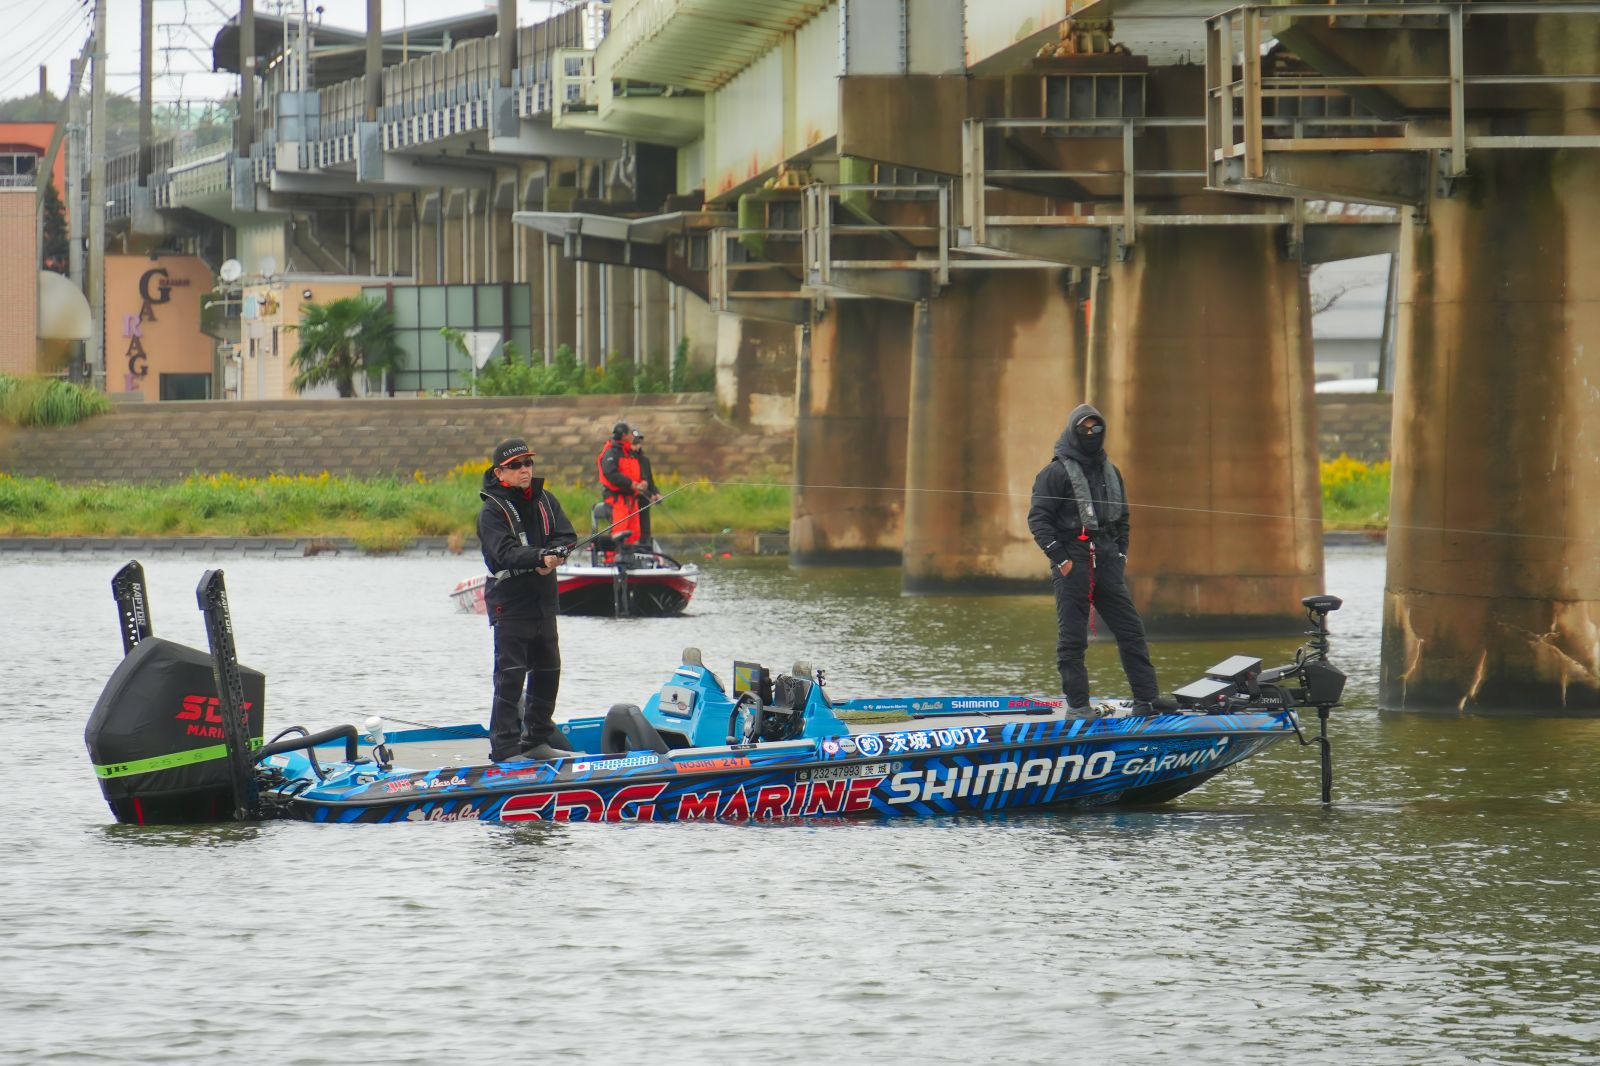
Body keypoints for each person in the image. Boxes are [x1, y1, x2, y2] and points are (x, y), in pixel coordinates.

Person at [1027, 403, 1159, 715]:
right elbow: (1038, 520)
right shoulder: (1053, 473)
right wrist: (1061, 559)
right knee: (1073, 639)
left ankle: (1147, 700)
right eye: (1083, 428)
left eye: (1096, 428)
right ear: (1073, 431)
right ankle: (1078, 706)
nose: (1090, 433)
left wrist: (1121, 554)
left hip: (1108, 561)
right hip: (1072, 563)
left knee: (1131, 631)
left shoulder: (1112, 472)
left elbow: (1123, 520)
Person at [478, 437, 578, 762]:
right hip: (510, 604)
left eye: (528, 463)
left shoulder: (546, 500)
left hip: (543, 601)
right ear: (499, 472)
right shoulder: (491, 511)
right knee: (510, 676)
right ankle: (505, 749)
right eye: (516, 465)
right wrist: (540, 557)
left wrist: (558, 553)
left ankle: (535, 740)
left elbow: (567, 535)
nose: (525, 469)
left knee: (549, 671)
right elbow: (504, 553)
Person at [597, 421, 645, 546]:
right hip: (617, 499)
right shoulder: (611, 452)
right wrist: (630, 484)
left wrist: (641, 483)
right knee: (619, 531)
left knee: (634, 533)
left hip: (631, 498)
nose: (632, 436)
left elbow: (637, 470)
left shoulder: (629, 452)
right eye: (630, 433)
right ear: (624, 435)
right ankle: (612, 556)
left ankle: (630, 555)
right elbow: (611, 474)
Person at [630, 427, 662, 548]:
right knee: (631, 533)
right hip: (630, 502)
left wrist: (656, 494)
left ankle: (646, 551)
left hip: (644, 502)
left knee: (645, 532)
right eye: (634, 443)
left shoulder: (644, 460)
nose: (637, 446)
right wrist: (648, 494)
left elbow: (650, 481)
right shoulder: (625, 460)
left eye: (638, 443)